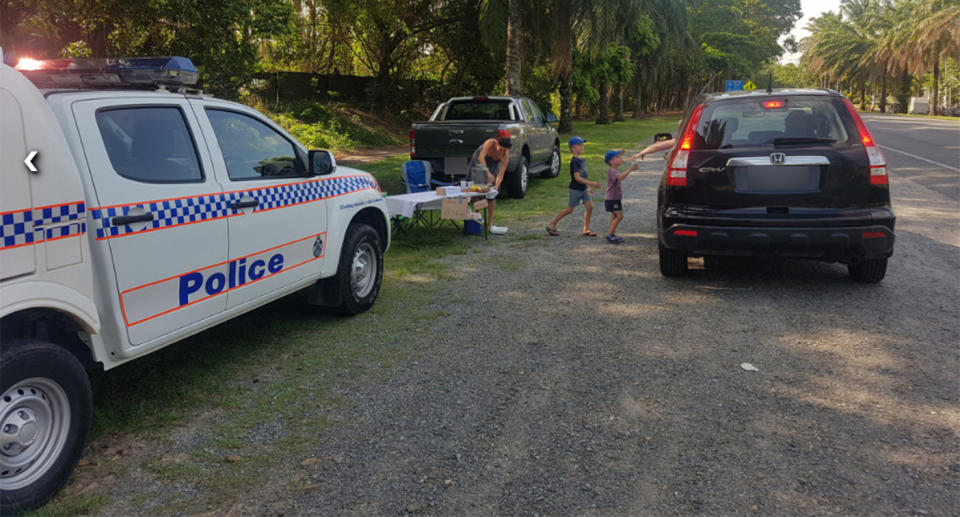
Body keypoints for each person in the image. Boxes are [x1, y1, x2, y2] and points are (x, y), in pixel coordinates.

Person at [545, 136, 600, 236]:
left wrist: (588, 186)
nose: (582, 147)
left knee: (590, 207)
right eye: (579, 145)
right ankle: (552, 224)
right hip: (576, 189)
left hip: (584, 189)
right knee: (570, 209)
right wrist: (592, 183)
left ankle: (586, 229)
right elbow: (577, 178)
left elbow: (584, 175)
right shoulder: (574, 162)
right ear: (573, 148)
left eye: (582, 144)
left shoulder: (582, 159)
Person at [467, 137, 511, 233]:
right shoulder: (490, 142)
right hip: (479, 162)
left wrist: (496, 186)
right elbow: (480, 157)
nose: (502, 152)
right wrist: (487, 173)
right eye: (501, 150)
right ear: (497, 144)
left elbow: (501, 174)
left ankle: (490, 224)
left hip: (492, 165)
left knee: (491, 195)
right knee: (477, 192)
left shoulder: (506, 156)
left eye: (505, 151)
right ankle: (478, 217)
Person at [603, 149, 638, 243]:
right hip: (612, 198)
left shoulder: (614, 170)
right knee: (620, 216)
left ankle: (612, 233)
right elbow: (620, 178)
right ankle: (610, 234)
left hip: (614, 198)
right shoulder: (612, 170)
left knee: (614, 215)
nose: (620, 158)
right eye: (617, 157)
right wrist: (630, 168)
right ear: (611, 161)